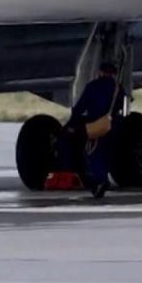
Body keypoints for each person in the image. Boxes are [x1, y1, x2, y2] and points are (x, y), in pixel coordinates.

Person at [59, 61, 126, 198]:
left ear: (100, 72)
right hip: (112, 125)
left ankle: (100, 181)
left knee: (93, 153)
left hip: (96, 123)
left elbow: (81, 107)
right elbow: (120, 106)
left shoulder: (93, 86)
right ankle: (103, 178)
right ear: (113, 73)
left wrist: (72, 124)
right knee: (106, 153)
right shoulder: (118, 88)